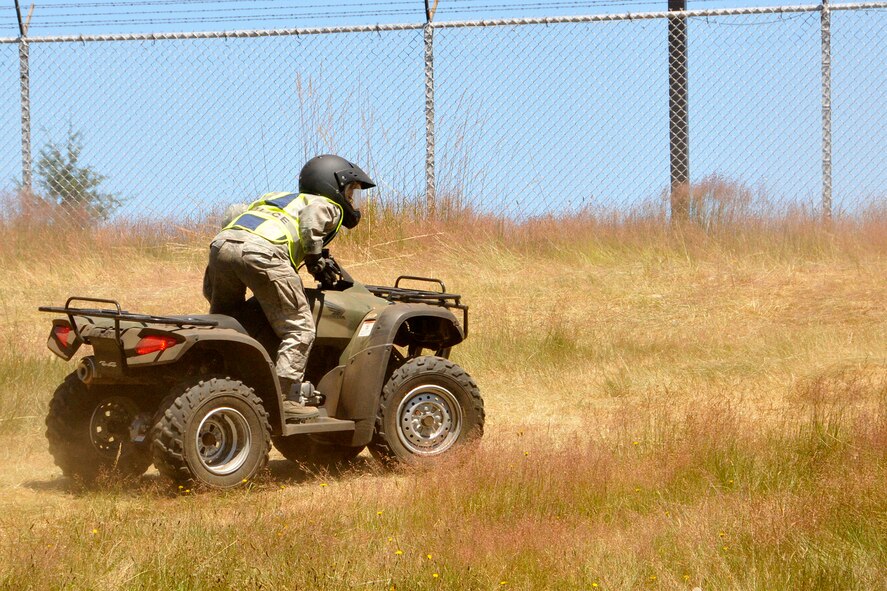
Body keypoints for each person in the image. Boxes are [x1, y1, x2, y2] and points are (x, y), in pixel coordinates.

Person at [203, 154, 375, 421]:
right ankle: (286, 397)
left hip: (223, 244)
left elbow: (234, 212)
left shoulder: (277, 197)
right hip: (264, 253)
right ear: (333, 185)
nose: (352, 200)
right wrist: (315, 258)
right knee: (300, 327)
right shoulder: (326, 204)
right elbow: (312, 219)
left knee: (228, 320)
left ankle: (214, 380)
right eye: (350, 191)